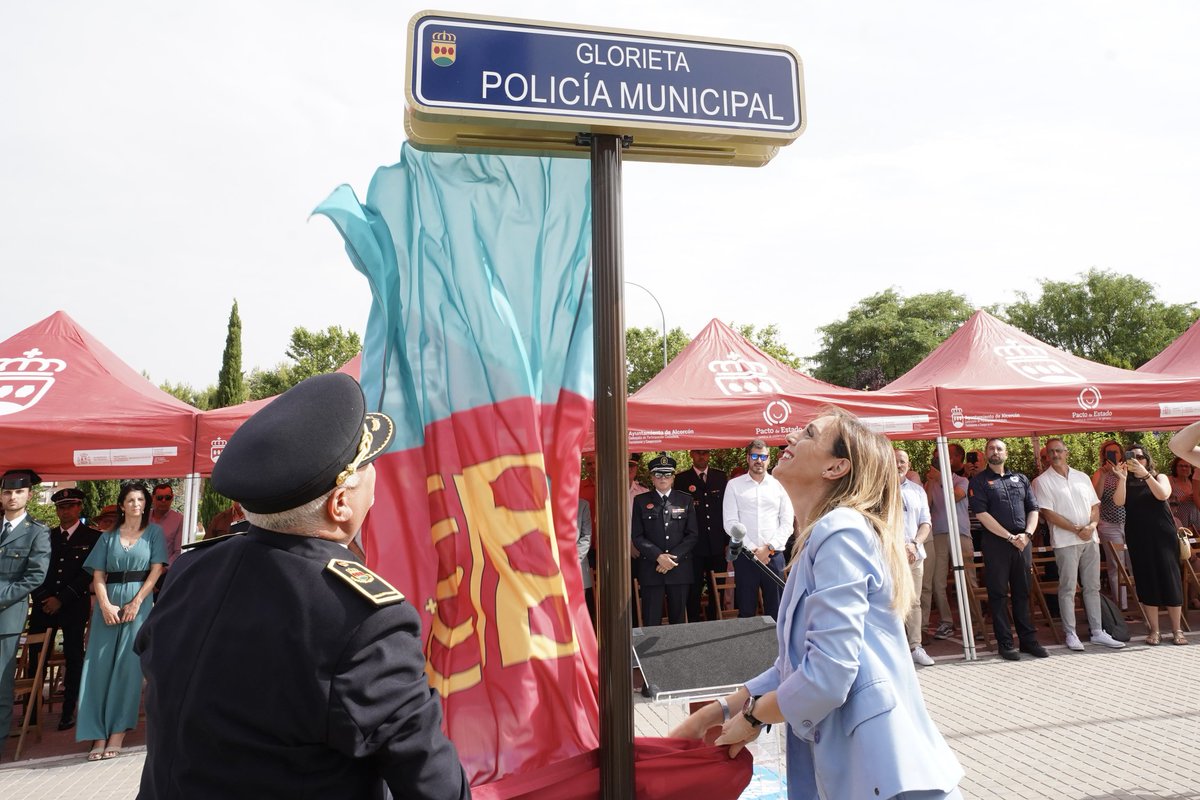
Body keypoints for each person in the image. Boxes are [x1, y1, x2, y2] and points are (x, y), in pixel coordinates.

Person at [136, 373, 469, 799]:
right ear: (340, 503)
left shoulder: (191, 570)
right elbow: (433, 785)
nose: (375, 477)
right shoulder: (364, 621)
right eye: (369, 465)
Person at [669, 408, 963, 799]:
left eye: (808, 434)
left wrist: (752, 717)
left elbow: (827, 674)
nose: (791, 437)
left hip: (884, 775)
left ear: (836, 467)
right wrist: (715, 712)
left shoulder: (840, 530)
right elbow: (794, 667)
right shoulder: (827, 535)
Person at [77, 481, 166, 760]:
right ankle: (97, 735)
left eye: (140, 500)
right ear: (122, 505)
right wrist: (104, 605)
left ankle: (117, 732)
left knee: (128, 668)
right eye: (130, 500)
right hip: (109, 604)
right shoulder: (107, 537)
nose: (136, 505)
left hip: (139, 603)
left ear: (146, 504)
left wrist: (137, 602)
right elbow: (98, 574)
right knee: (98, 666)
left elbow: (157, 570)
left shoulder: (154, 533)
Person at [1031, 439, 1125, 651]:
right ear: (1046, 456)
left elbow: (1095, 506)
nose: (1055, 455)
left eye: (1059, 450)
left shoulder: (1082, 477)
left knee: (1093, 586)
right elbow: (1048, 513)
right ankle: (1071, 633)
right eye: (1051, 452)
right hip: (1065, 541)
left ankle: (1098, 631)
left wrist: (1091, 526)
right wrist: (1077, 529)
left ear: (1067, 452)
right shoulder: (1041, 481)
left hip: (1090, 539)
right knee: (1068, 588)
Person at [28, 487, 102, 731]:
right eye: (61, 507)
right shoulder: (45, 536)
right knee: (36, 657)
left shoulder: (93, 537)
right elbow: (34, 570)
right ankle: (32, 711)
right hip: (44, 606)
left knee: (73, 656)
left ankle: (68, 710)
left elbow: (88, 572)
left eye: (70, 506)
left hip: (73, 604)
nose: (65, 511)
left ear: (79, 507)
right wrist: (44, 597)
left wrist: (61, 599)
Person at [968, 438, 1049, 660]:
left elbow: (1033, 508)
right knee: (998, 594)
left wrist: (1027, 535)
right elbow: (981, 514)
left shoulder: (1021, 479)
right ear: (986, 453)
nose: (995, 451)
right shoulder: (979, 482)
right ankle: (1005, 643)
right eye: (991, 448)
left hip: (1023, 542)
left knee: (1023, 592)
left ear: (1006, 453)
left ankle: (1028, 641)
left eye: (999, 448)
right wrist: (1010, 536)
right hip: (996, 544)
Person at [1113, 445, 1186, 646]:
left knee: (1170, 578)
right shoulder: (1125, 480)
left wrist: (1145, 475)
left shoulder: (1159, 477)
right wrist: (1122, 479)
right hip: (1138, 536)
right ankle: (1154, 630)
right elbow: (1118, 502)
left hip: (1163, 535)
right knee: (1146, 580)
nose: (1137, 460)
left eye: (1140, 457)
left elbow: (1163, 495)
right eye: (1132, 457)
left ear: (1147, 459)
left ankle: (1177, 630)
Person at [0, 469, 51, 752]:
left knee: (1, 684)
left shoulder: (37, 531)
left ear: (29, 495)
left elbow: (35, 576)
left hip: (7, 618)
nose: (13, 497)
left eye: (19, 492)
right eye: (8, 492)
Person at [722, 440, 794, 619]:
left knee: (777, 611)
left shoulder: (780, 485)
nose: (759, 460)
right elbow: (730, 522)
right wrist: (753, 550)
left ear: (769, 459)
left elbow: (787, 523)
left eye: (763, 456)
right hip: (746, 557)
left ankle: (776, 639)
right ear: (748, 458)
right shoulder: (734, 485)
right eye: (755, 456)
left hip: (773, 556)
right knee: (746, 611)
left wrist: (768, 548)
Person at [922, 445, 982, 641]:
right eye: (935, 459)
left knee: (968, 579)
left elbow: (955, 496)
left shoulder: (962, 480)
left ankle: (976, 622)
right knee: (938, 581)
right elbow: (926, 506)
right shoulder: (931, 482)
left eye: (941, 458)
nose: (937, 462)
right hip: (938, 534)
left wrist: (940, 478)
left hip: (960, 533)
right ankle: (946, 621)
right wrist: (931, 483)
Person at [632, 454, 698, 626]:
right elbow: (637, 535)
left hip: (679, 568)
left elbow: (692, 535)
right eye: (658, 474)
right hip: (652, 568)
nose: (663, 478)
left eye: (667, 474)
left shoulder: (685, 500)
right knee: (651, 620)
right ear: (652, 477)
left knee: (678, 621)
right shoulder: (640, 501)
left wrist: (671, 559)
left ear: (673, 477)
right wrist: (658, 556)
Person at [675, 449, 728, 621]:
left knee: (717, 588)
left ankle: (715, 620)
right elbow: (678, 514)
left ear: (709, 455)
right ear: (691, 454)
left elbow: (726, 510)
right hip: (694, 546)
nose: (702, 456)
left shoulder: (720, 477)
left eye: (705, 453)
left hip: (717, 544)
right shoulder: (682, 479)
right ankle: (694, 623)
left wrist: (727, 541)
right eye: (698, 453)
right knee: (694, 588)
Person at [895, 449, 934, 666]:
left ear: (908, 465)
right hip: (889, 555)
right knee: (890, 602)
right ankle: (895, 648)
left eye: (902, 461)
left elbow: (926, 523)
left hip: (914, 555)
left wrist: (914, 544)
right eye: (894, 461)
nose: (898, 465)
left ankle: (915, 647)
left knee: (914, 601)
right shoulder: (878, 489)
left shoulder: (918, 491)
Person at [1091, 440, 1128, 604]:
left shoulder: (1128, 470)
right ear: (1104, 455)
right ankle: (1122, 605)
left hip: (1131, 523)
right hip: (1109, 523)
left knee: (1135, 562)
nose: (1113, 455)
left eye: (1116, 452)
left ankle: (1143, 602)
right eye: (1109, 452)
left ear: (1121, 454)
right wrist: (1105, 475)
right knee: (1116, 565)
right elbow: (1096, 497)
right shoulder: (1100, 473)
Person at [148, 483, 184, 567]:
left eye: (168, 497)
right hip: (141, 569)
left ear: (172, 498)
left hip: (165, 570)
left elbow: (178, 551)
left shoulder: (179, 520)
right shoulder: (143, 518)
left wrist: (164, 568)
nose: (164, 501)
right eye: (160, 498)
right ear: (152, 498)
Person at [1166, 456, 1200, 531]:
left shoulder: (1194, 482)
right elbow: (1163, 501)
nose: (1184, 468)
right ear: (1175, 467)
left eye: (1187, 466)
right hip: (1178, 522)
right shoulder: (1169, 480)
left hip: (1196, 522)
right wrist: (1180, 499)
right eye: (1181, 466)